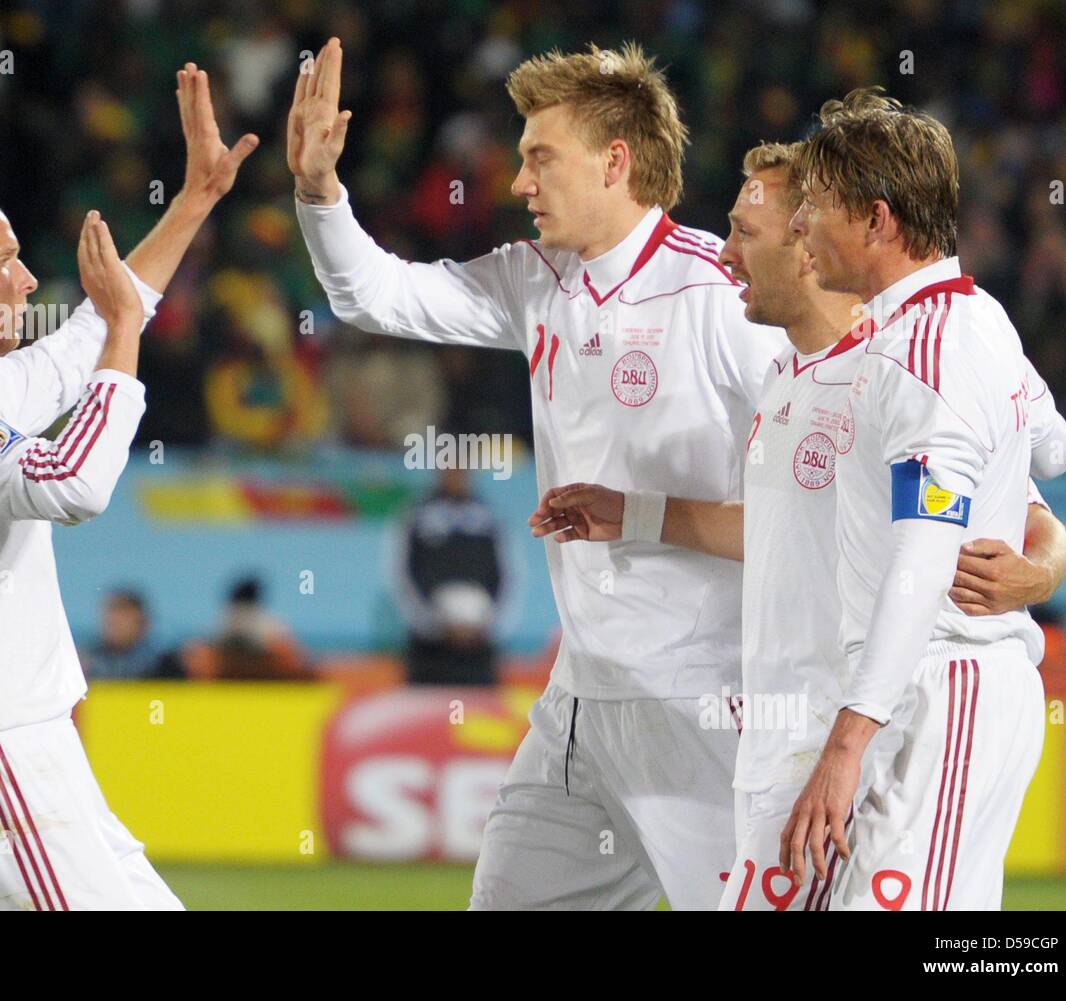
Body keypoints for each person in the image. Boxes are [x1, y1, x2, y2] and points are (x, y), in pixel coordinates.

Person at [290, 38, 787, 909]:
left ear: (615, 161)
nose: (518, 182)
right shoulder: (535, 281)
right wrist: (320, 192)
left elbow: (815, 496)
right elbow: (374, 295)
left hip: (706, 707)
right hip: (579, 703)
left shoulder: (726, 298)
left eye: (537, 158)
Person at [533, 140, 1066, 910]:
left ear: (811, 242)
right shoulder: (790, 370)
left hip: (886, 714)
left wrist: (1049, 560)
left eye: (747, 232)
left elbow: (1009, 482)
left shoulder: (917, 354)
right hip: (787, 736)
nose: (724, 255)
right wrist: (635, 514)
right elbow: (784, 532)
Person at [0, 64, 257, 910]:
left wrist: (194, 199)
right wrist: (130, 336)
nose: (29, 281)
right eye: (8, 262)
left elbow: (86, 337)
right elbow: (74, 483)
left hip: (19, 755)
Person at [781, 88, 1066, 910]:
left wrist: (849, 736)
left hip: (947, 689)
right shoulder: (976, 318)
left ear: (877, 221)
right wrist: (1036, 532)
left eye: (817, 206)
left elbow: (927, 544)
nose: (801, 224)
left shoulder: (923, 351)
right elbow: (1056, 445)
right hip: (922, 690)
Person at [390, 466, 511, 686]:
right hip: (429, 649)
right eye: (449, 468)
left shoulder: (490, 517)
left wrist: (488, 623)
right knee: (426, 713)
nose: (455, 474)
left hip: (478, 643)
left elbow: (508, 575)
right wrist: (432, 624)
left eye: (461, 469)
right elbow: (401, 574)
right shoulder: (416, 515)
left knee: (478, 714)